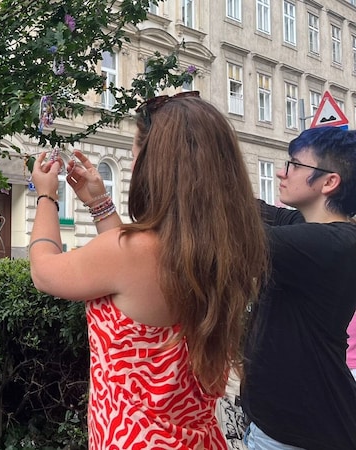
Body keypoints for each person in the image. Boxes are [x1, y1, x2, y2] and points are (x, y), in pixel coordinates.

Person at [28, 92, 268, 449]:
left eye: (136, 151)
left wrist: (46, 195)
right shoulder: (225, 251)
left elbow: (43, 270)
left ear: (154, 163)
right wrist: (99, 203)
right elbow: (132, 278)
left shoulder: (132, 252)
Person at [241, 126, 356, 450]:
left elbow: (230, 239)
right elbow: (251, 210)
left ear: (329, 181)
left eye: (294, 165)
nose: (281, 172)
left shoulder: (329, 244)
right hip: (287, 426)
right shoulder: (311, 229)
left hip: (297, 434)